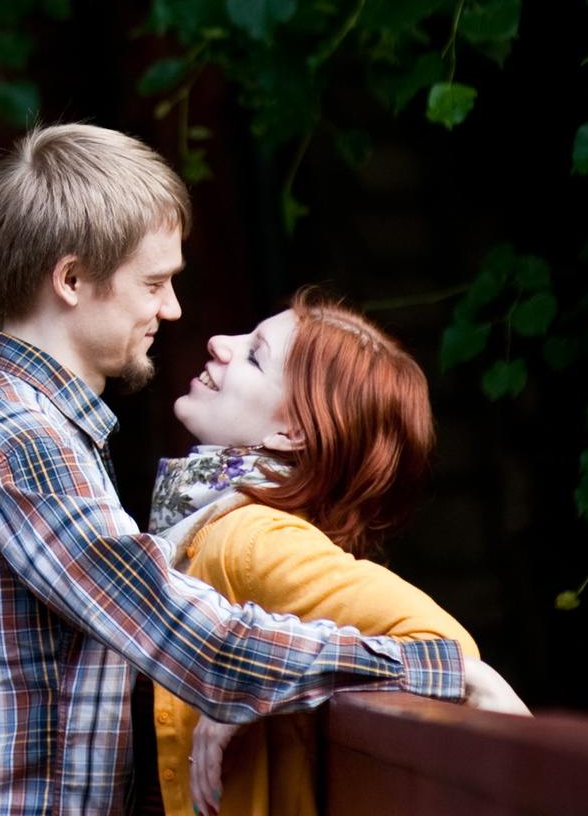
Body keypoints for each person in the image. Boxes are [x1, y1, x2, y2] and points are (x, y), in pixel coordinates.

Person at [0, 123, 524, 815]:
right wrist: (442, 672)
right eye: (154, 282)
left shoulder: (22, 429)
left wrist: (251, 695)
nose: (174, 309)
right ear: (71, 280)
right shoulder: (27, 448)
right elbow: (201, 648)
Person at [146, 292, 530, 814]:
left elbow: (446, 645)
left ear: (292, 433)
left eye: (255, 356)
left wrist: (257, 677)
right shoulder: (216, 522)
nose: (219, 343)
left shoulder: (256, 539)